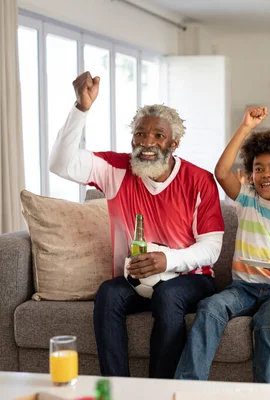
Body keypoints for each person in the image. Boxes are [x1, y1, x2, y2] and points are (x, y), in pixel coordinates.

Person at [49, 72, 224, 378]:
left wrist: (168, 259)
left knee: (168, 297)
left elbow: (212, 248)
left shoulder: (199, 180)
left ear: (174, 143)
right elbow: (60, 164)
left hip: (191, 278)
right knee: (108, 293)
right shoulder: (116, 169)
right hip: (134, 279)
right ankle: (117, 389)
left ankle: (159, 390)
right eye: (140, 134)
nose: (147, 142)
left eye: (158, 135)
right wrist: (81, 108)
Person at [175, 107, 270, 383]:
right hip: (242, 288)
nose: (265, 174)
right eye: (258, 168)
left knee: (266, 325)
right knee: (209, 308)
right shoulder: (247, 200)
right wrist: (245, 127)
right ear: (251, 174)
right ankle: (188, 388)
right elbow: (221, 171)